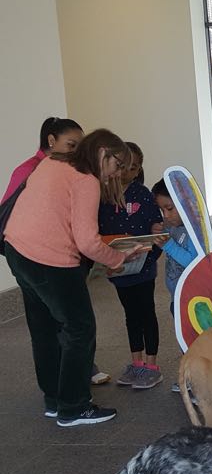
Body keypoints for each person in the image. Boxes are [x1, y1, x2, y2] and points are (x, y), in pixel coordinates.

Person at [3, 129, 143, 426]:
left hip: (17, 251)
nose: (116, 175)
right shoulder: (85, 180)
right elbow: (87, 243)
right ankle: (74, 407)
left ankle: (54, 400)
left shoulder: (53, 163)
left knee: (44, 329)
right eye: (118, 166)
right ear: (104, 152)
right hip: (50, 260)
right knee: (79, 328)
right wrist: (118, 259)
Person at [1, 117, 111, 385]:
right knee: (72, 325)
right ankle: (72, 399)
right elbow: (11, 210)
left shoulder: (56, 167)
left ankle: (59, 393)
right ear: (51, 141)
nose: (77, 152)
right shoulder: (38, 168)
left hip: (34, 254)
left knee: (54, 324)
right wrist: (114, 257)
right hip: (44, 257)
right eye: (71, 145)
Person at [98, 143, 165, 389]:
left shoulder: (144, 195)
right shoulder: (104, 197)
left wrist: (149, 256)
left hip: (144, 269)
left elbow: (157, 231)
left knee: (146, 313)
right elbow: (97, 234)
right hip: (119, 271)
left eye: (134, 167)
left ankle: (152, 366)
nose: (127, 171)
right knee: (130, 315)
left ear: (138, 170)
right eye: (123, 165)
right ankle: (136, 363)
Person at [150, 178, 197, 393]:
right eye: (162, 210)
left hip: (194, 297)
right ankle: (189, 377)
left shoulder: (196, 229)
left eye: (169, 209)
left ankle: (199, 382)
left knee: (195, 339)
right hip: (176, 297)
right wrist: (160, 232)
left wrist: (167, 245)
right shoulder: (175, 227)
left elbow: (194, 263)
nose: (166, 216)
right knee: (183, 338)